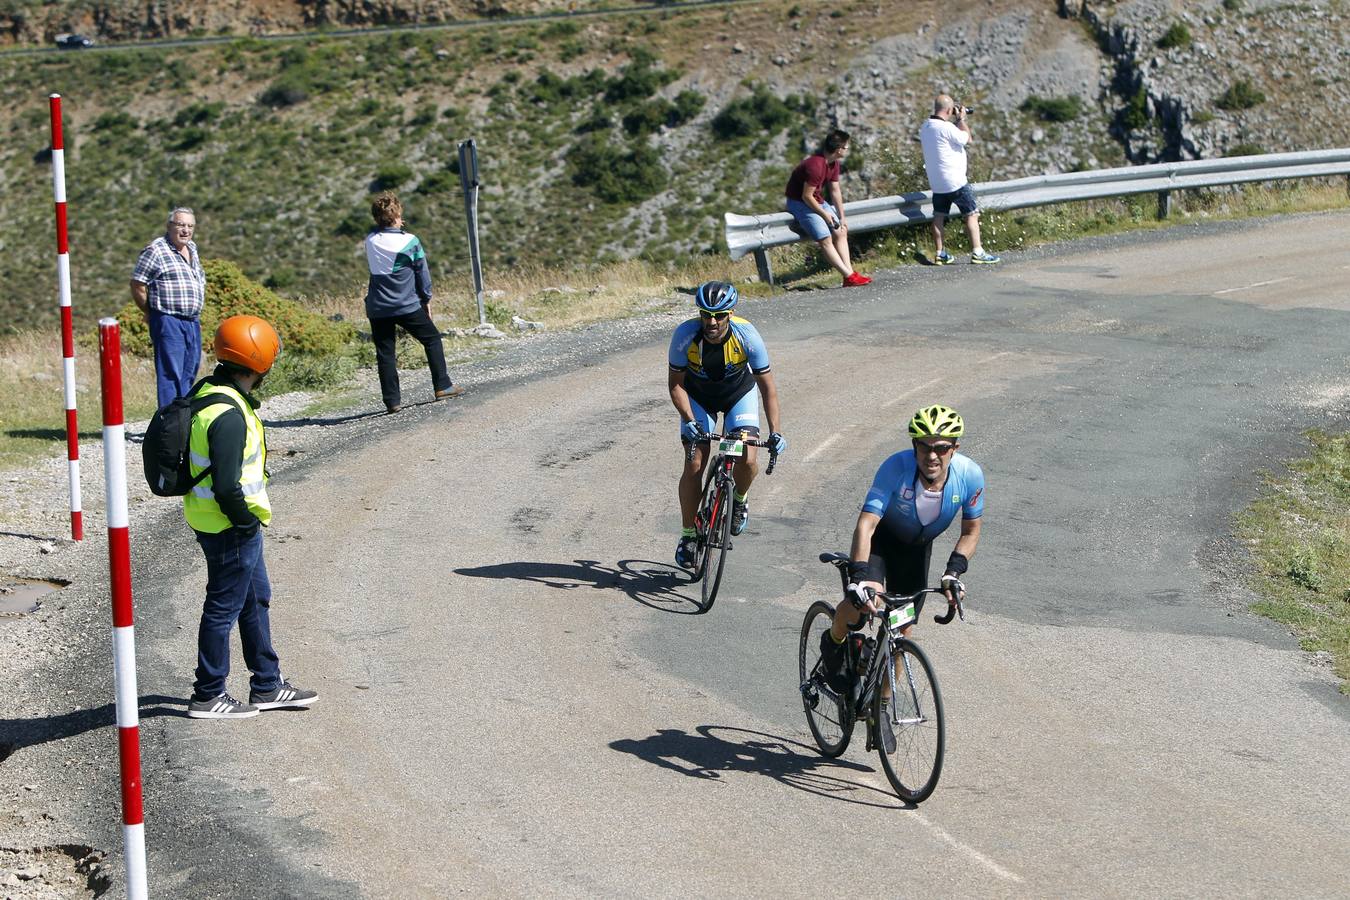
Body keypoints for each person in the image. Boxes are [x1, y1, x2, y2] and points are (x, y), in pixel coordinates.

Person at [818, 404, 984, 749]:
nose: (932, 455)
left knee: (901, 629)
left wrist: (954, 571)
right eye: (925, 446)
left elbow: (971, 530)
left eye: (941, 447)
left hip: (916, 551)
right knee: (868, 602)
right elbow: (867, 523)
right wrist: (860, 576)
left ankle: (880, 708)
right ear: (915, 447)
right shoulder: (895, 468)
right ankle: (833, 638)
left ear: (954, 448)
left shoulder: (970, 477)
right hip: (880, 543)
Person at [183, 315, 317, 719]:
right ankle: (207, 694)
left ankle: (267, 685)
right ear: (260, 362)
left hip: (222, 521)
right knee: (223, 607)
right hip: (228, 525)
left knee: (254, 599)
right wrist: (244, 521)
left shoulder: (209, 390)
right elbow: (226, 485)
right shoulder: (228, 413)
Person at [668, 281, 786, 569]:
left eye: (719, 315)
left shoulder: (748, 336)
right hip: (698, 398)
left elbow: (768, 388)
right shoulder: (685, 335)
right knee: (694, 461)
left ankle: (739, 500)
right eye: (706, 314)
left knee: (747, 457)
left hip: (738, 395)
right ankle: (687, 536)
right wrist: (689, 420)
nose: (711, 321)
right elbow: (675, 385)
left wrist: (775, 431)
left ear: (730, 314)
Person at [363, 192, 462, 414]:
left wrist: (394, 224)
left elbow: (384, 237)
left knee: (385, 353)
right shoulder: (410, 241)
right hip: (405, 305)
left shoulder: (370, 241)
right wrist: (426, 298)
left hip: (378, 307)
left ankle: (392, 401)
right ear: (397, 215)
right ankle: (442, 385)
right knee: (432, 339)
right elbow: (422, 274)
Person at [130, 207, 207, 409]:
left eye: (190, 226)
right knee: (171, 374)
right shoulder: (155, 250)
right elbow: (138, 283)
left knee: (189, 372)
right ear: (169, 226)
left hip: (192, 321)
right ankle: (168, 424)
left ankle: (181, 421)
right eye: (180, 225)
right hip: (168, 320)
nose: (185, 230)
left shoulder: (192, 249)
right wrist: (150, 312)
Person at [918, 96, 1001, 265]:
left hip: (937, 183)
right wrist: (961, 119)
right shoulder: (946, 127)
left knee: (939, 216)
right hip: (955, 181)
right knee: (972, 214)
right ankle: (978, 251)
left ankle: (940, 253)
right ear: (949, 110)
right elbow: (967, 139)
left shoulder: (925, 127)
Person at [785, 129, 872, 288]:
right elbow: (806, 196)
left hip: (816, 199)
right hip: (800, 202)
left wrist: (842, 216)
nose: (847, 150)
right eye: (846, 147)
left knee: (840, 231)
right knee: (825, 238)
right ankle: (848, 275)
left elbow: (835, 190)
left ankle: (850, 274)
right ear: (839, 149)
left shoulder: (833, 164)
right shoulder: (816, 165)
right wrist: (825, 215)